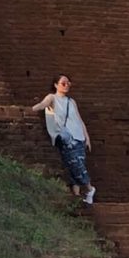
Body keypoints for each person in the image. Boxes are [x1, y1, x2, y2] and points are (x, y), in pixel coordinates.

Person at [32, 74, 97, 205]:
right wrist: (32, 109)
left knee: (78, 165)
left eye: (68, 83)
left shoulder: (71, 102)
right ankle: (90, 189)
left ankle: (78, 196)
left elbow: (79, 120)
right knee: (74, 164)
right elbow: (43, 104)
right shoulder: (52, 98)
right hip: (66, 138)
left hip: (78, 136)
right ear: (56, 85)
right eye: (63, 83)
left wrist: (87, 137)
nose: (66, 85)